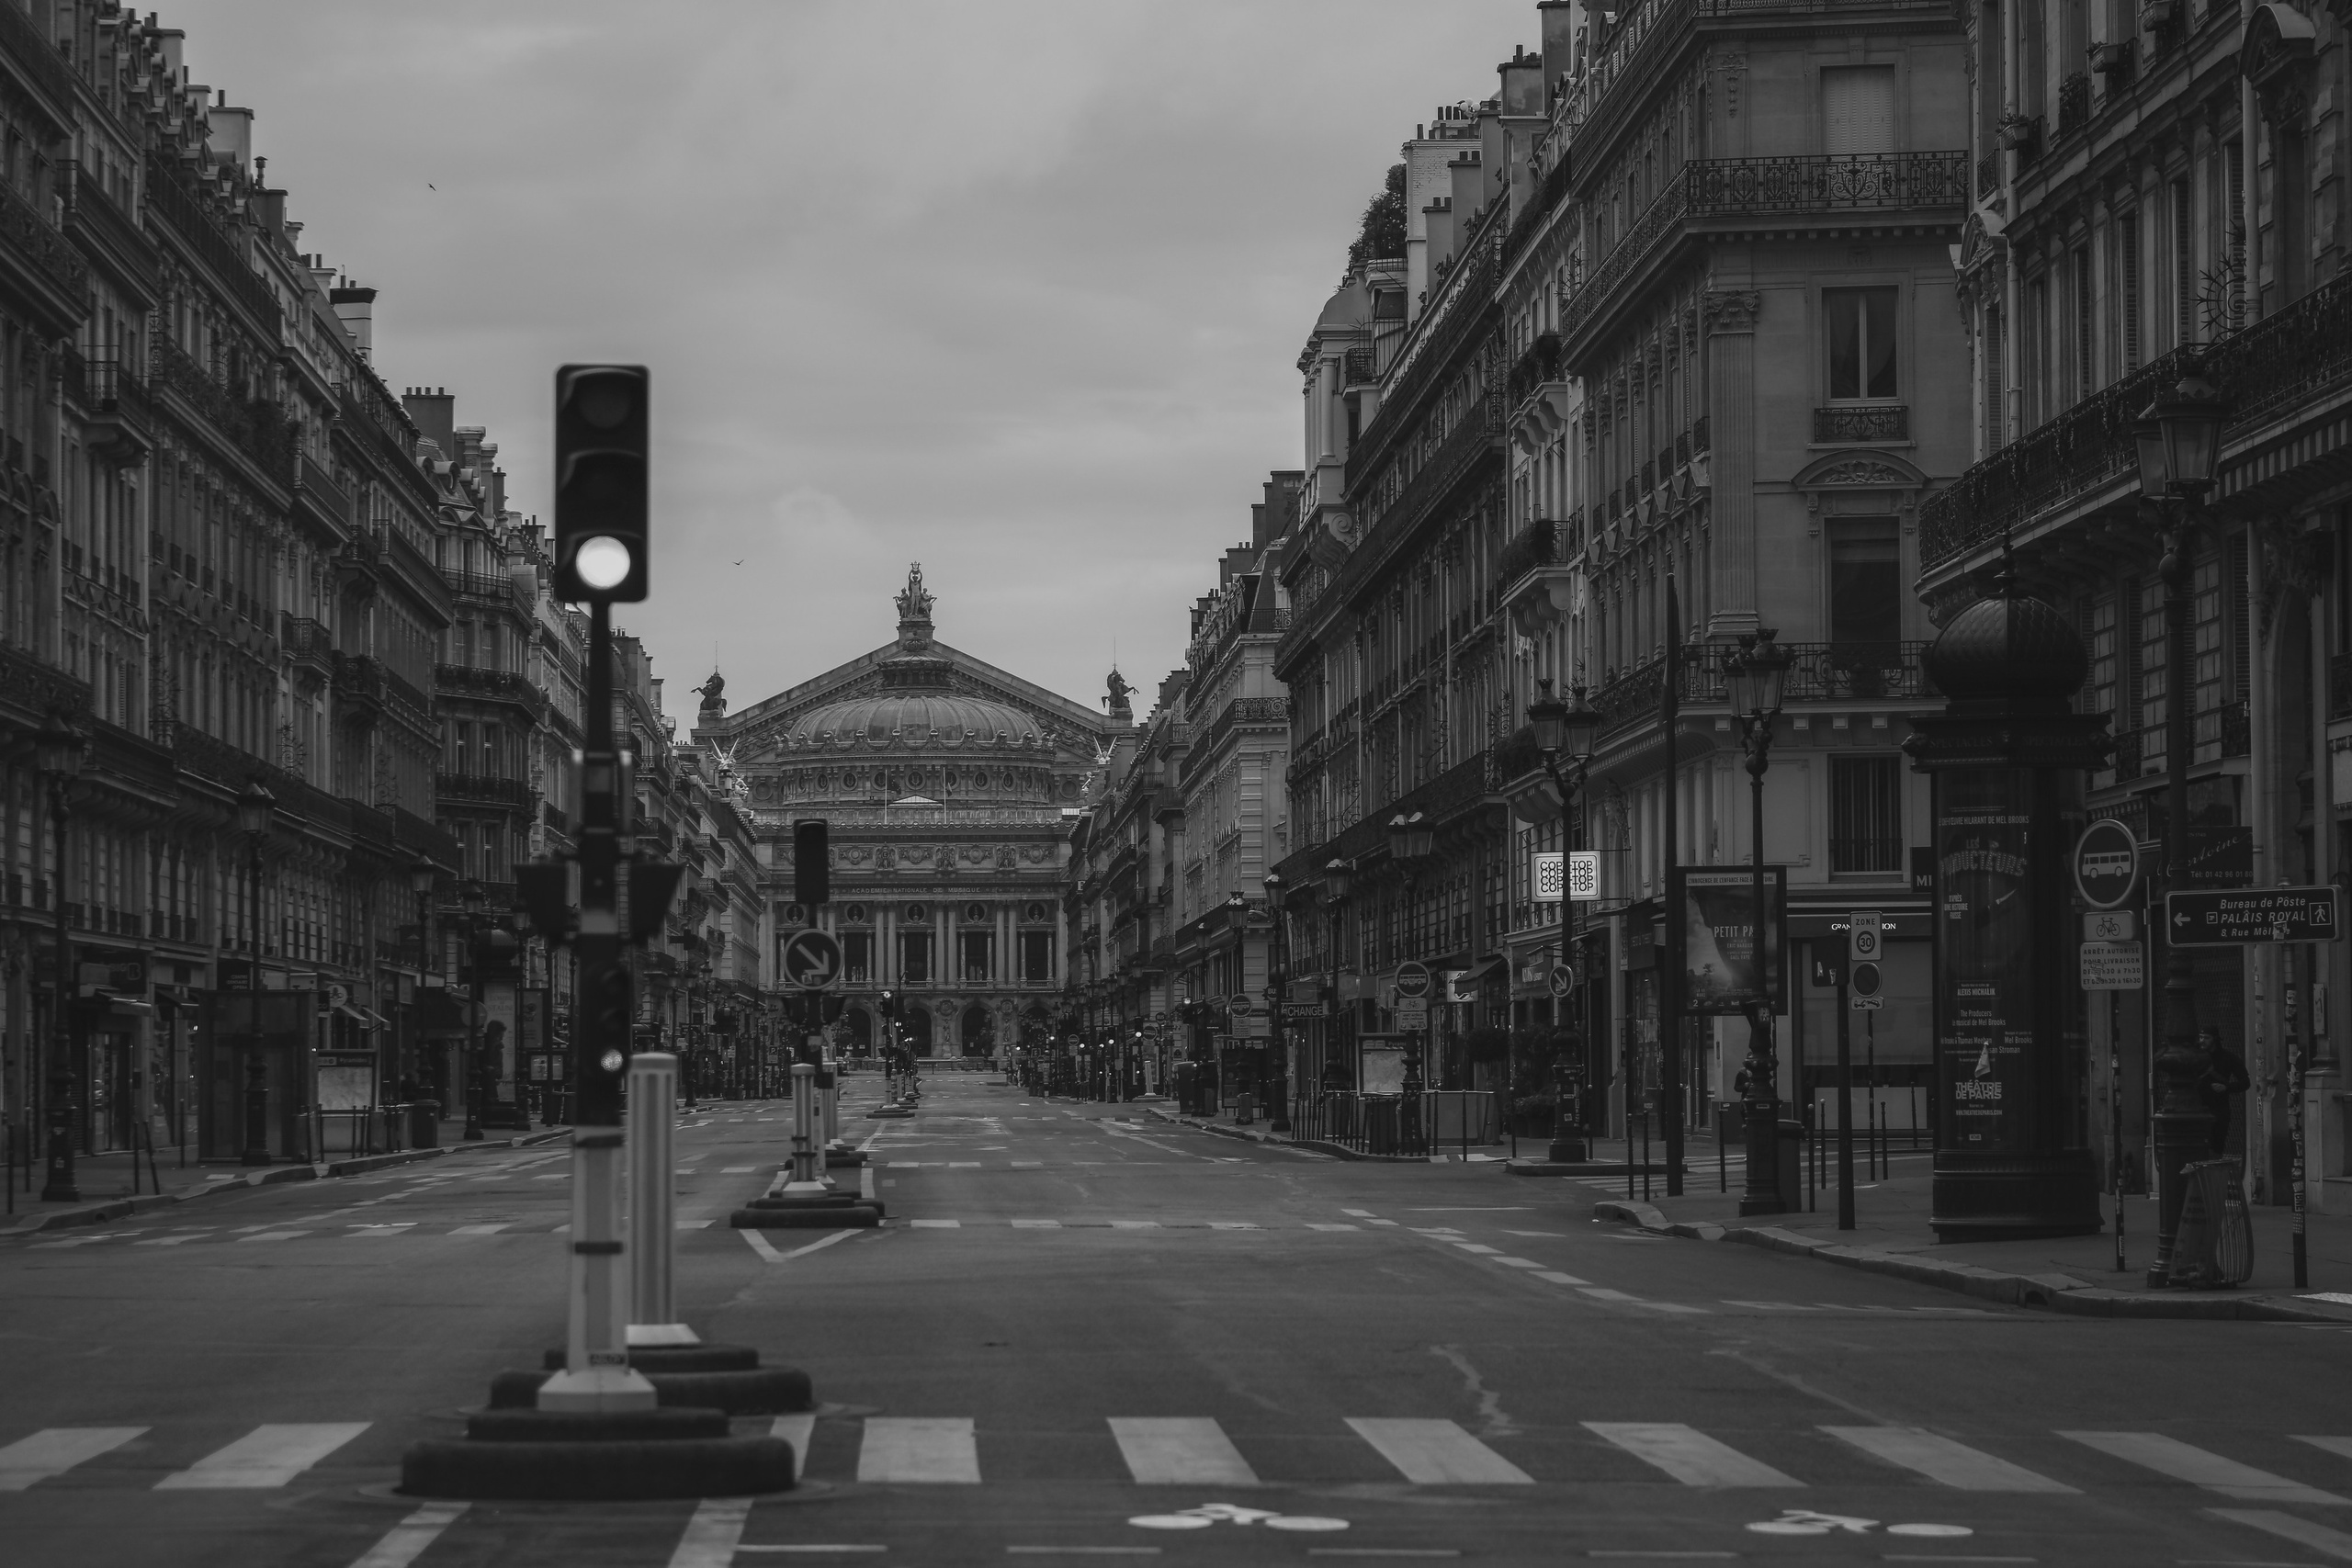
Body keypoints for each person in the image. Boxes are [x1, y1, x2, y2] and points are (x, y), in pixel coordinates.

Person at [2195, 1025, 2250, 1157]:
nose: (2202, 1041)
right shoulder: (2195, 1057)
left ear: (2215, 1039)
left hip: (2219, 1110)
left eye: (2206, 1038)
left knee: (2216, 1147)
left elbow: (2245, 1082)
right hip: (2198, 1109)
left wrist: (2227, 1088)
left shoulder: (2228, 1058)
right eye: (2201, 1037)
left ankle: (2214, 1175)